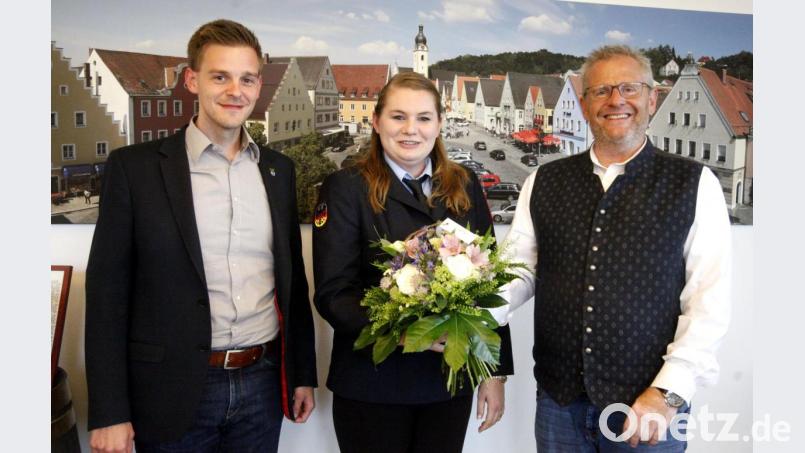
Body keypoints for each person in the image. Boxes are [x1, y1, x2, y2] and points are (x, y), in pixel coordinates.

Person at [85, 19, 317, 453]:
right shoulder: (134, 169)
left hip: (262, 383)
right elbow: (105, 296)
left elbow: (291, 284)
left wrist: (301, 373)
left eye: (247, 78)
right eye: (220, 76)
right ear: (192, 80)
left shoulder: (278, 170)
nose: (236, 90)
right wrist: (109, 411)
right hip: (170, 388)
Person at [498, 45, 731, 451]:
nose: (616, 100)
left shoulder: (694, 184)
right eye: (602, 91)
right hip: (559, 401)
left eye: (629, 88)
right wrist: (464, 315)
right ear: (585, 104)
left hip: (648, 404)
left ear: (651, 98)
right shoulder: (543, 180)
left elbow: (709, 301)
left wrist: (669, 392)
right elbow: (518, 270)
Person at [312, 72, 514, 453]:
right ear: (376, 121)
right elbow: (333, 293)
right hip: (373, 384)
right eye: (398, 116)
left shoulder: (464, 182)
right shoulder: (346, 187)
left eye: (423, 118)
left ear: (439, 123)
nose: (411, 130)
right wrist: (405, 335)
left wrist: (494, 371)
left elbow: (491, 284)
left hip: (448, 384)